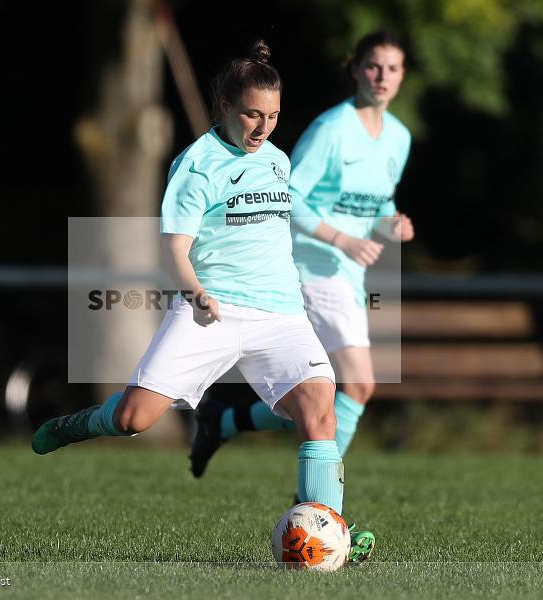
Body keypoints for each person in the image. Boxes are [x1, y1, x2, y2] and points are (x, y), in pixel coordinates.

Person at [32, 41, 375, 563]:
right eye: (252, 115)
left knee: (318, 410)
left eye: (274, 116)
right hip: (208, 310)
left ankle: (329, 538)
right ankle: (77, 424)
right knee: (133, 420)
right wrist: (195, 291)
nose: (263, 128)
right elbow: (174, 246)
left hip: (280, 313)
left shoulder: (278, 161)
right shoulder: (195, 166)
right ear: (224, 107)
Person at [189, 30, 414, 476]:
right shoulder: (332, 129)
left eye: (392, 68)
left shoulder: (399, 137)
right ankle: (317, 504)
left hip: (349, 274)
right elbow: (290, 195)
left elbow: (376, 202)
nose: (382, 76)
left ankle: (224, 421)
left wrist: (390, 222)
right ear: (355, 69)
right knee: (361, 384)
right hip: (311, 268)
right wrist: (341, 238)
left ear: (402, 75)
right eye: (373, 65)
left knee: (317, 394)